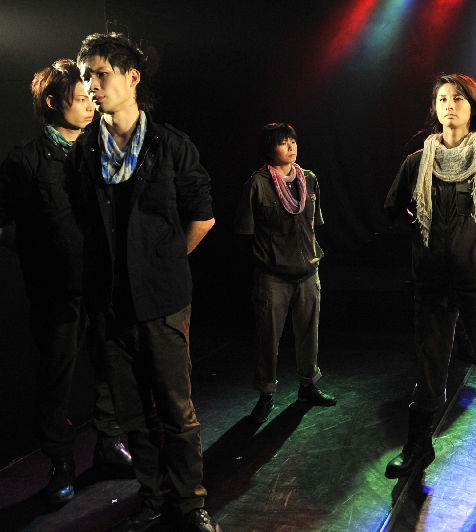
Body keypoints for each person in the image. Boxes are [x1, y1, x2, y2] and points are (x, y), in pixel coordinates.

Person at [68, 34, 220, 531]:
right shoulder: (84, 150)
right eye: (86, 76)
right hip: (110, 305)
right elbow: (83, 221)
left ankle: (189, 502)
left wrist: (161, 264)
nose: (91, 85)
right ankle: (153, 495)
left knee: (176, 410)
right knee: (133, 413)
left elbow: (202, 217)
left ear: (132, 77)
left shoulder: (170, 145)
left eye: (100, 74)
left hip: (162, 300)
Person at [383, 74, 476, 492]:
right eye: (442, 99)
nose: (449, 105)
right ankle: (419, 445)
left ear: (474, 109)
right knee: (429, 367)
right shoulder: (416, 163)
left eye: (458, 98)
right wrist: (422, 232)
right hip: (432, 284)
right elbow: (393, 210)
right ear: (435, 108)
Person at [0, 59, 133, 506]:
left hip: (104, 286)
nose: (91, 105)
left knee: (110, 366)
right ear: (53, 102)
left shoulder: (105, 150)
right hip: (56, 292)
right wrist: (43, 256)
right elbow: (4, 224)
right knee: (56, 376)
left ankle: (110, 444)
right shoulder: (25, 158)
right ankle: (60, 462)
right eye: (80, 99)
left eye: (91, 97)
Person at [234, 123, 336, 424]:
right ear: (269, 149)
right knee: (269, 338)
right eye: (283, 142)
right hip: (273, 275)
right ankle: (266, 395)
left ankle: (308, 387)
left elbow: (314, 223)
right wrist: (267, 259)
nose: (291, 147)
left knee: (309, 333)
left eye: (293, 140)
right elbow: (245, 230)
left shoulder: (309, 178)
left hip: (307, 271)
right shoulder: (257, 183)